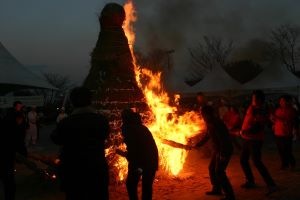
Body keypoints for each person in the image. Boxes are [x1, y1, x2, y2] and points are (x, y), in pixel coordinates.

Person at [51, 87, 110, 200]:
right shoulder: (101, 120)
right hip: (96, 172)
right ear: (90, 101)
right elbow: (105, 136)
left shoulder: (66, 123)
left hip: (74, 173)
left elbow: (56, 138)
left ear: (72, 102)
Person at [193, 105, 235, 200]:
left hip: (224, 149)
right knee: (212, 168)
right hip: (217, 150)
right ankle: (217, 188)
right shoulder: (210, 122)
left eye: (203, 114)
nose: (202, 116)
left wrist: (223, 154)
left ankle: (230, 195)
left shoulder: (217, 123)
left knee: (220, 171)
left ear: (208, 114)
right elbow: (208, 135)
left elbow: (224, 140)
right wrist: (198, 145)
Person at [239, 90, 277, 194]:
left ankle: (271, 184)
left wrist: (243, 131)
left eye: (254, 99)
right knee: (243, 160)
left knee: (257, 162)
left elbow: (257, 128)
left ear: (260, 100)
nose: (252, 100)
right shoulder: (252, 108)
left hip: (255, 140)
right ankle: (250, 181)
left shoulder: (260, 111)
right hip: (247, 139)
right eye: (252, 98)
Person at [118, 109, 158, 200]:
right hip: (151, 162)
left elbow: (134, 151)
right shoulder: (141, 127)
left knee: (131, 184)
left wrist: (124, 154)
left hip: (140, 165)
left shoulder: (128, 129)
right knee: (147, 186)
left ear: (126, 118)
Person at [0, 101, 28, 200]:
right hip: (6, 154)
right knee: (8, 180)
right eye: (20, 120)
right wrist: (24, 154)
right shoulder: (12, 126)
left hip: (5, 152)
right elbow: (18, 141)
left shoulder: (6, 120)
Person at [270, 95, 297, 170]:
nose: (281, 102)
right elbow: (276, 120)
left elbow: (286, 120)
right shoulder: (278, 110)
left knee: (287, 150)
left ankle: (292, 163)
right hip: (278, 133)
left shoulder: (291, 110)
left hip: (287, 133)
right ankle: (284, 164)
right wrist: (273, 120)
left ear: (287, 102)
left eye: (283, 101)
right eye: (280, 101)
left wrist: (276, 117)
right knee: (280, 150)